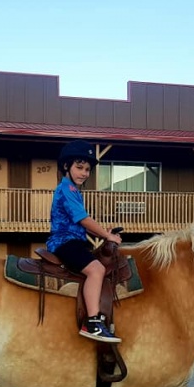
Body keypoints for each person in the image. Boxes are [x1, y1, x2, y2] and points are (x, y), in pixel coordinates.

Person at [47, 140, 122, 343]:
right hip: (64, 242)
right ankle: (93, 323)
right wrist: (107, 236)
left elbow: (82, 225)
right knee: (96, 270)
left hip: (76, 240)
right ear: (66, 166)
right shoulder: (67, 190)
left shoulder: (73, 190)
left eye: (87, 169)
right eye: (79, 167)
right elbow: (84, 220)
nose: (84, 173)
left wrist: (103, 234)